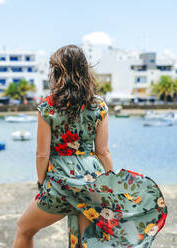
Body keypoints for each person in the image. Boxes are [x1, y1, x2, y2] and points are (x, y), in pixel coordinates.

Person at [12, 45, 167, 248]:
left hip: (60, 182)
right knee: (85, 243)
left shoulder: (48, 106)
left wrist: (42, 183)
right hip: (92, 183)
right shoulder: (98, 105)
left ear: (58, 73)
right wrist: (111, 184)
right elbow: (103, 151)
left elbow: (42, 154)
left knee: (24, 229)